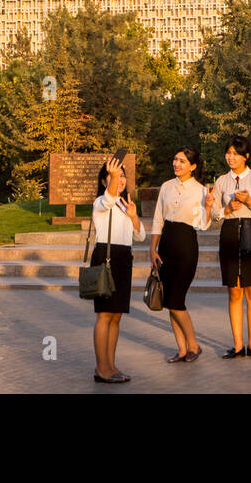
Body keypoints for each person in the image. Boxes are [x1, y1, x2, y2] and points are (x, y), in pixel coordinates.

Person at [149, 146, 214, 363]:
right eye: (175, 159)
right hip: (165, 245)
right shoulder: (166, 187)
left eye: (182, 161)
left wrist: (208, 206)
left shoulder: (201, 190)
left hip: (186, 247)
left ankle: (194, 345)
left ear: (193, 166)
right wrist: (152, 248)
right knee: (169, 300)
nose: (177, 164)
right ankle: (181, 350)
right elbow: (158, 218)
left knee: (176, 301)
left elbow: (203, 226)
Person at [209, 135, 251, 359]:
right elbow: (214, 215)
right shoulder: (222, 181)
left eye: (236, 153)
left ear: (246, 156)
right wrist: (227, 209)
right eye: (228, 153)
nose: (231, 157)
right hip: (229, 233)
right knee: (234, 291)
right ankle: (237, 345)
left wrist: (250, 202)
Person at [90, 152, 145, 384]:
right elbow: (108, 199)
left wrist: (133, 217)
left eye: (122, 176)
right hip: (105, 257)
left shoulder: (125, 204)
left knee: (116, 317)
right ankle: (101, 368)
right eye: (114, 176)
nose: (120, 180)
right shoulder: (102, 203)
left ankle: (111, 366)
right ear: (104, 181)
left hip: (123, 259)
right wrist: (112, 178)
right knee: (104, 315)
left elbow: (140, 235)